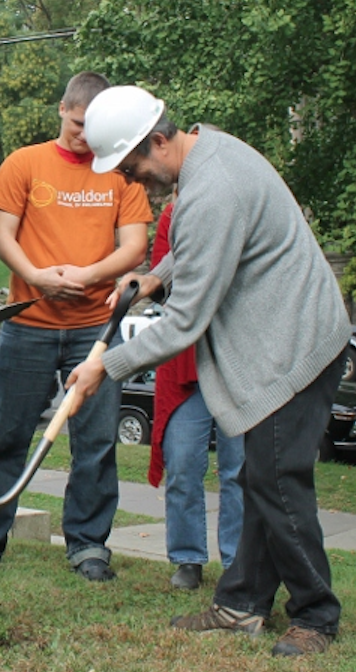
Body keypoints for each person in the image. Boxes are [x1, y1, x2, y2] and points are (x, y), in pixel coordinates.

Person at [70, 85, 350, 657]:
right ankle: (242, 603)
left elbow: (184, 324)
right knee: (259, 482)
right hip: (284, 338)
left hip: (296, 349)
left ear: (158, 139)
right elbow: (209, 245)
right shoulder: (212, 151)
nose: (132, 180)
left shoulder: (212, 191)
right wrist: (157, 275)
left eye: (132, 165)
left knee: (278, 484)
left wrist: (106, 365)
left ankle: (316, 615)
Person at [0, 72, 151, 582]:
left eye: (93, 128)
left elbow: (134, 247)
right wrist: (36, 275)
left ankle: (87, 545)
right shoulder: (25, 163)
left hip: (94, 330)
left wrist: (88, 275)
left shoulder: (120, 170)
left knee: (96, 440)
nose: (85, 136)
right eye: (79, 124)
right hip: (29, 324)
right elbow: (1, 233)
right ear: (62, 109)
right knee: (6, 437)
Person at [147, 196, 243, 591]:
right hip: (186, 362)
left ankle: (239, 561)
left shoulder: (239, 210)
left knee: (239, 470)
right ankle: (187, 558)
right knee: (184, 463)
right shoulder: (174, 213)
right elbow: (159, 283)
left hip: (237, 360)